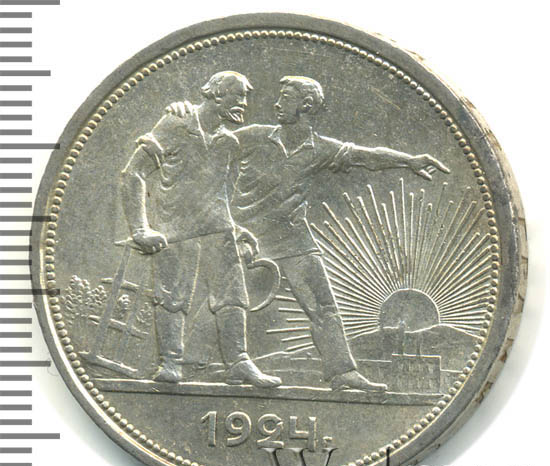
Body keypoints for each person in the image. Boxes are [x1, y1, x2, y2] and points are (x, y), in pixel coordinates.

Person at [167, 75, 449, 392]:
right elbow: (207, 138)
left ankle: (342, 372)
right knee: (225, 302)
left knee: (323, 305)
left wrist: (409, 161)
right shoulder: (254, 136)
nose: (277, 104)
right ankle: (190, 363)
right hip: (245, 234)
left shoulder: (319, 149)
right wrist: (184, 111)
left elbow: (366, 156)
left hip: (292, 237)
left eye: (286, 98)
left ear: (306, 105)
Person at [120, 71, 281, 388]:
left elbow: (218, 196)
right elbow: (134, 172)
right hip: (176, 231)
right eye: (239, 96)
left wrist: (236, 228)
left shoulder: (228, 142)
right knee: (172, 298)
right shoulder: (175, 122)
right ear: (218, 94)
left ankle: (238, 362)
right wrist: (140, 229)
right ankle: (170, 362)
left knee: (233, 298)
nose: (244, 104)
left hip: (219, 232)